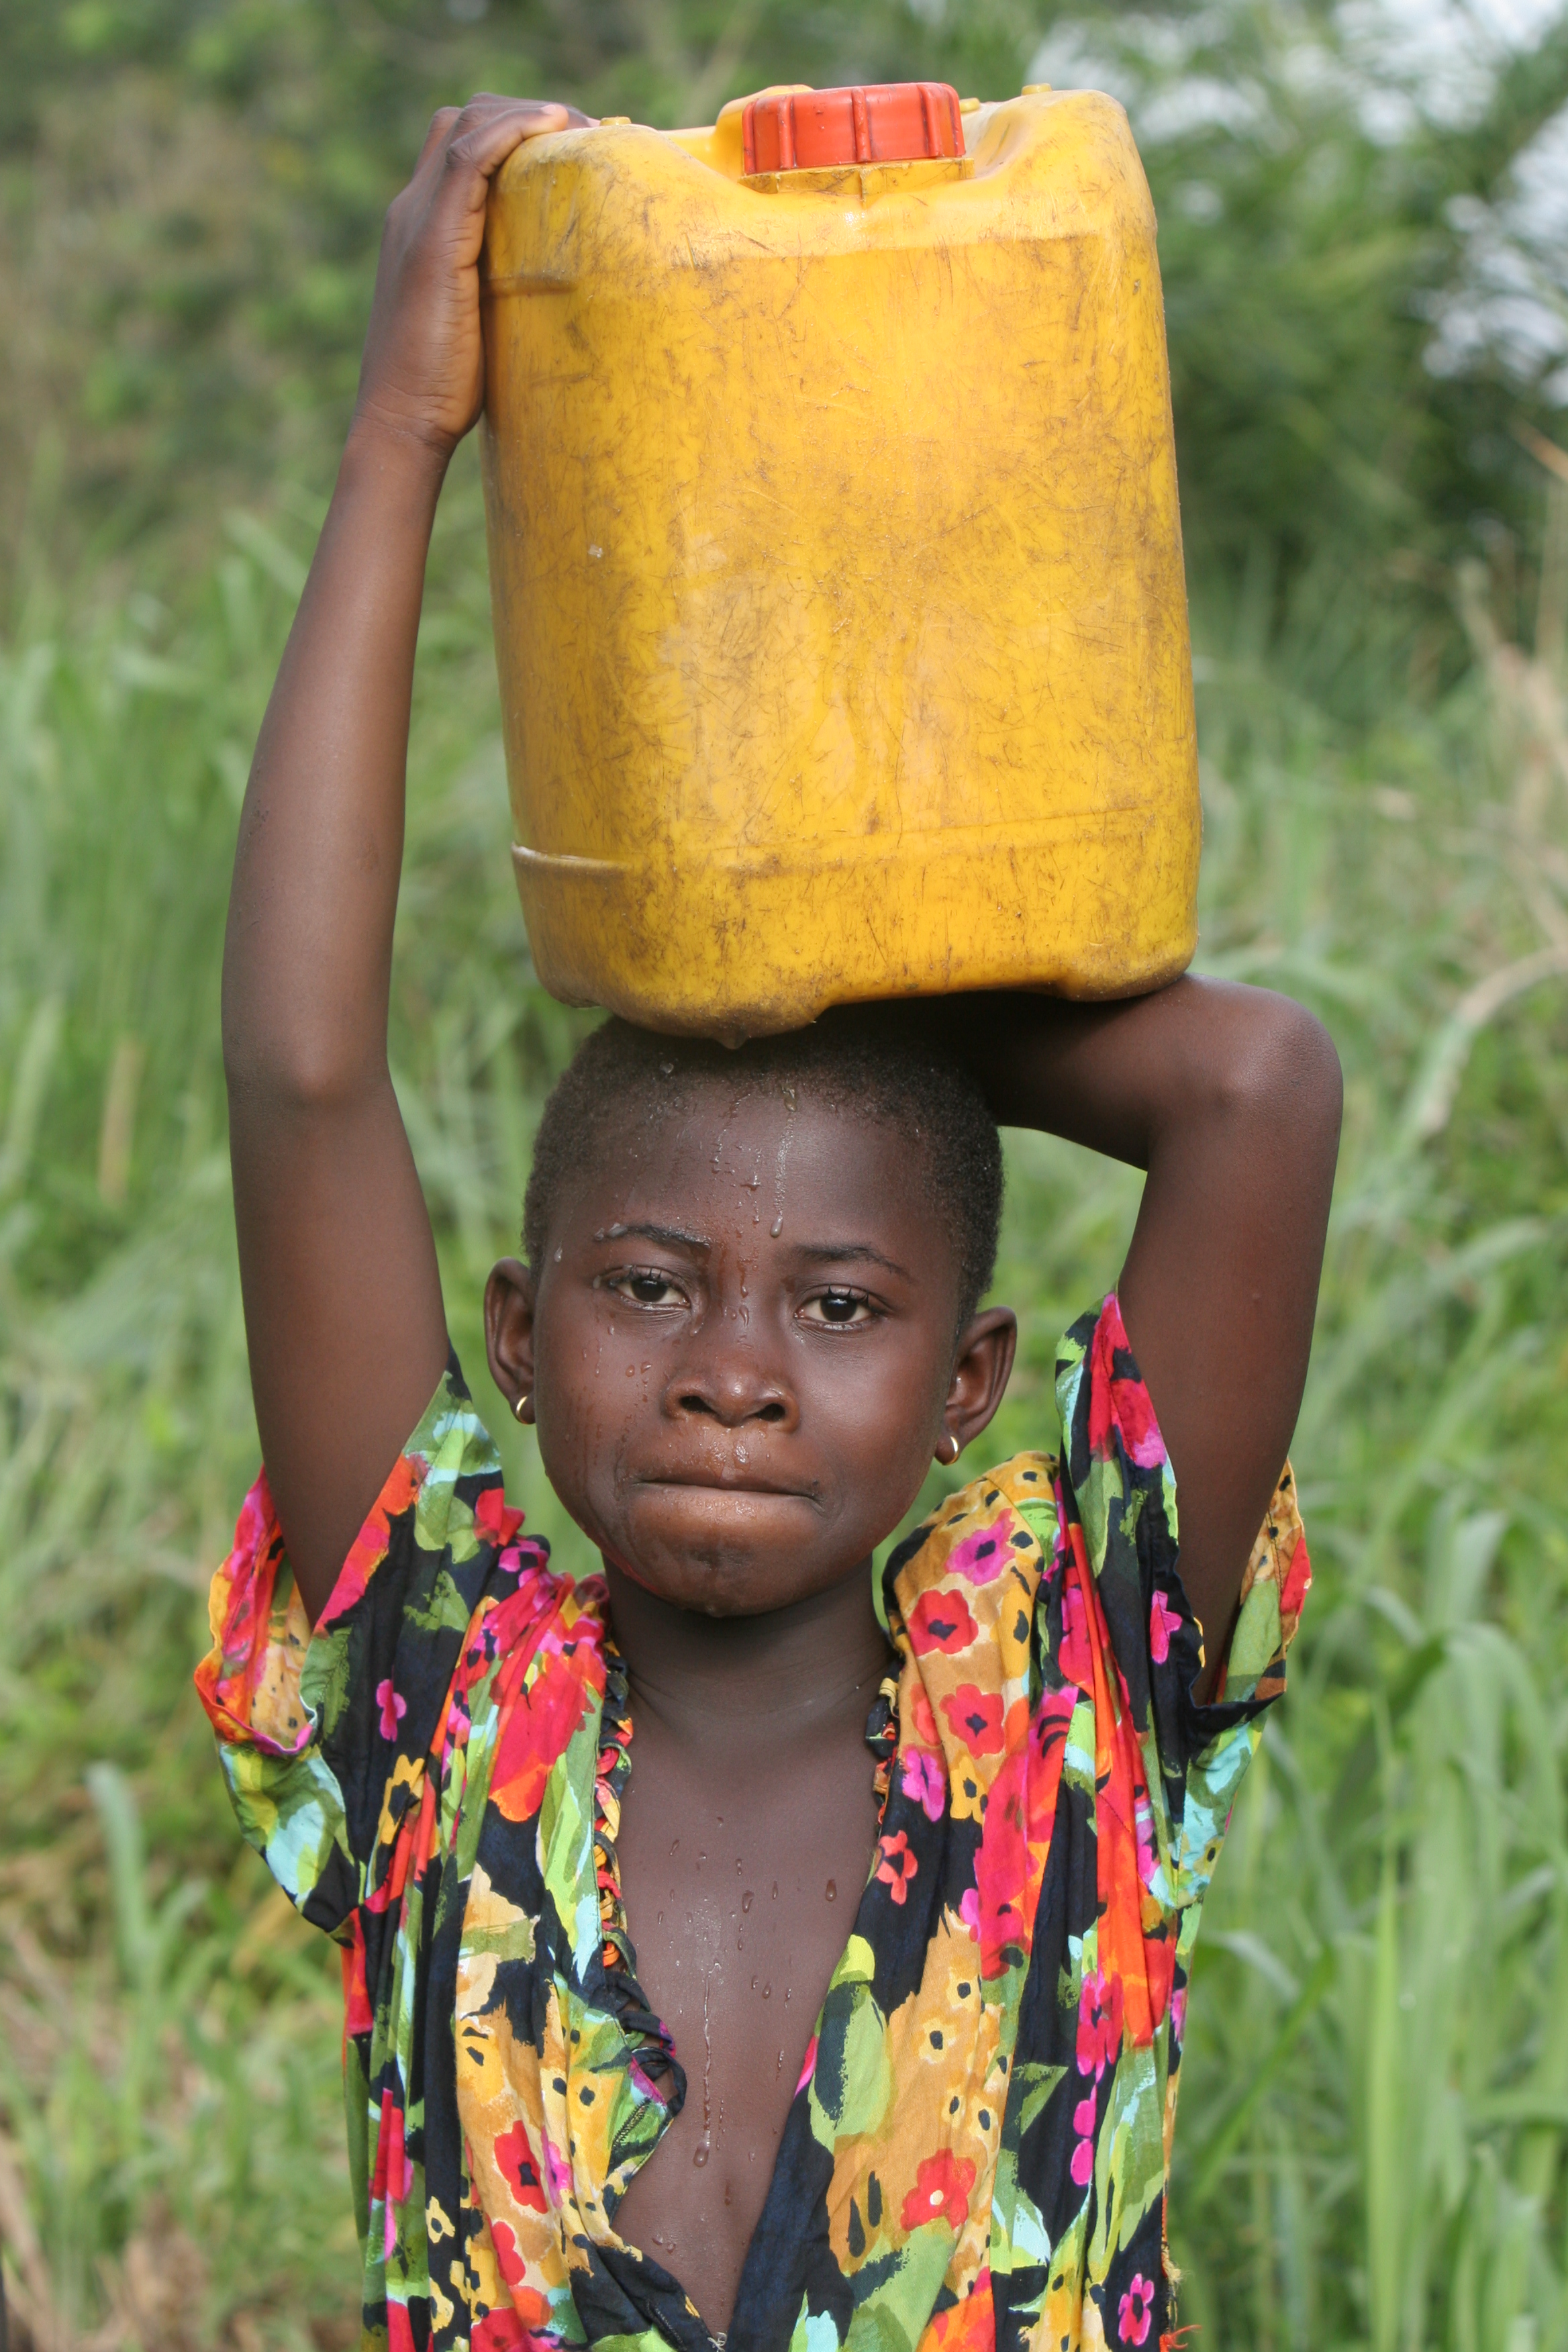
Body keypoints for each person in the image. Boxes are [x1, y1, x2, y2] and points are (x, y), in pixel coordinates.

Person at [197, 95, 1342, 2352]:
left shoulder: (1073, 1676)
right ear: (515, 1339)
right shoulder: (441, 1693)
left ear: (969, 1387)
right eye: (649, 1285)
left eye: (841, 1301)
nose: (734, 1363)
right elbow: (300, 1074)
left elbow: (1252, 1088)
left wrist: (792, 962)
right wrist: (404, 433)